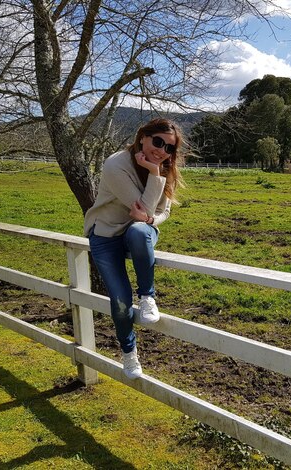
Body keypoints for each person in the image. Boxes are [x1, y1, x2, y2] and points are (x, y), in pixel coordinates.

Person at [84, 118, 184, 379]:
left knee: (139, 231)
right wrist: (153, 173)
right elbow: (145, 207)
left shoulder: (166, 167)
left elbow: (159, 213)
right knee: (119, 301)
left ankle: (147, 295)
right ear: (143, 138)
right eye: (158, 142)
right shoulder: (116, 164)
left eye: (169, 148)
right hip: (106, 234)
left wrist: (151, 221)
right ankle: (129, 353)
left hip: (138, 231)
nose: (162, 151)